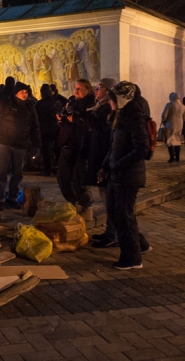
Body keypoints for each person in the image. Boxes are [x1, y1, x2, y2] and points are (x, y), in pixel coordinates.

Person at [98, 81, 152, 269]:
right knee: (116, 212)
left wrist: (118, 166)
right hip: (116, 173)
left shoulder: (134, 117)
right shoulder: (119, 116)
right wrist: (105, 167)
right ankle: (141, 245)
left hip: (128, 176)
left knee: (122, 214)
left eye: (112, 99)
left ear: (122, 99)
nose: (110, 103)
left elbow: (141, 149)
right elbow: (114, 146)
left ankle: (132, 258)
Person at [0, 82, 41, 210]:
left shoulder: (30, 107)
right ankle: (0, 199)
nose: (25, 94)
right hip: (5, 143)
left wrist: (36, 144)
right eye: (22, 92)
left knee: (17, 173)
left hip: (21, 144)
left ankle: (13, 198)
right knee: (2, 172)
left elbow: (35, 126)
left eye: (26, 92)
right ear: (16, 93)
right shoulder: (8, 105)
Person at [83, 78, 118, 247]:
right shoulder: (99, 107)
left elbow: (104, 133)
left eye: (99, 87)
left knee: (111, 200)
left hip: (106, 159)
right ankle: (110, 232)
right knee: (106, 198)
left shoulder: (108, 110)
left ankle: (114, 235)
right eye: (95, 87)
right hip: (100, 157)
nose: (96, 90)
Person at [56, 79, 96, 215]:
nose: (76, 91)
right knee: (62, 176)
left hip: (83, 145)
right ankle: (72, 201)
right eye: (75, 88)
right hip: (68, 142)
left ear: (88, 90)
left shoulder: (92, 103)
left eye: (79, 88)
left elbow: (91, 122)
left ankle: (85, 205)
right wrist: (62, 119)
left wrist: (77, 119)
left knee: (80, 178)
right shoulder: (71, 100)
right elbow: (66, 113)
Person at [35, 84, 58, 176]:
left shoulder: (39, 104)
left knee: (45, 149)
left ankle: (47, 168)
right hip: (54, 127)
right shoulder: (55, 101)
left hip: (44, 128)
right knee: (54, 148)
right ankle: (55, 166)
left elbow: (36, 117)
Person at [161, 92, 185, 163]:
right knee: (177, 140)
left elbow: (164, 115)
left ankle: (172, 157)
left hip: (170, 124)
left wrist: (163, 121)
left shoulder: (169, 104)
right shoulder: (183, 106)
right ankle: (178, 157)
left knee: (170, 140)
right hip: (179, 125)